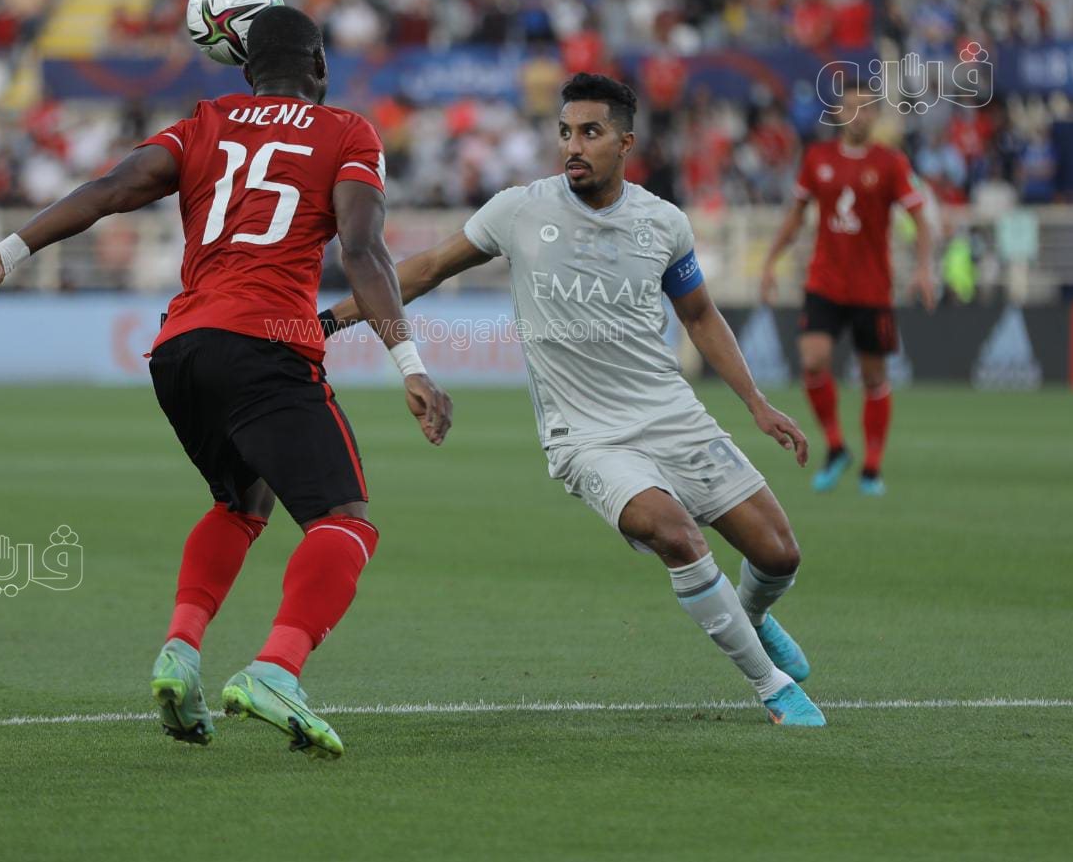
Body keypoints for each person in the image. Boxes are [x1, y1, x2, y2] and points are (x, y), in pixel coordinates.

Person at [0, 6, 453, 759]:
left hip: (180, 350)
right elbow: (365, 249)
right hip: (266, 343)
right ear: (318, 66)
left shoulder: (204, 121)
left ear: (245, 70)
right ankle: (276, 669)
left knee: (242, 502)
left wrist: (9, 252)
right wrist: (410, 362)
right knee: (346, 520)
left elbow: (113, 188)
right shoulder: (347, 131)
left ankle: (180, 653)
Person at [323, 73, 825, 726]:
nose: (573, 145)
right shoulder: (518, 210)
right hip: (588, 438)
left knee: (779, 554)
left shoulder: (662, 222)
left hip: (672, 415)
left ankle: (752, 616)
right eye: (565, 132)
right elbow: (419, 271)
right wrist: (325, 322)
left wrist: (756, 402)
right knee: (676, 536)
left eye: (590, 132)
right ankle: (774, 688)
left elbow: (700, 315)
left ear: (626, 141)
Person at [760, 86, 935, 497]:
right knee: (813, 360)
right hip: (825, 282)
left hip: (872, 289)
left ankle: (872, 468)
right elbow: (796, 216)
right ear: (838, 113)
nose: (858, 115)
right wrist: (769, 262)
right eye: (851, 107)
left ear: (875, 116)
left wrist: (925, 269)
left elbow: (921, 219)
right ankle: (836, 446)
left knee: (874, 377)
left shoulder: (891, 163)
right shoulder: (818, 158)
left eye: (866, 108)